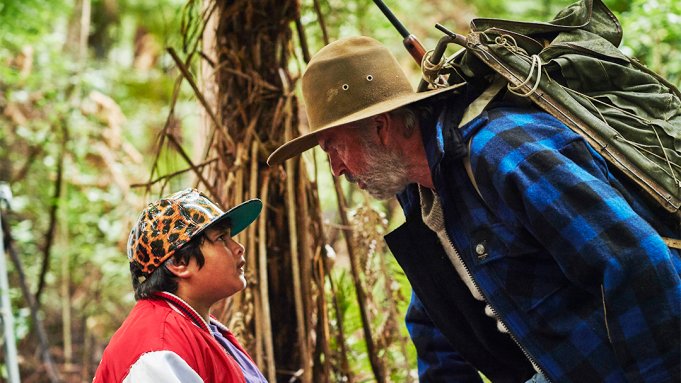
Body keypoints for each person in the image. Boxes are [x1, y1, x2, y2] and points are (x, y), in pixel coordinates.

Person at [267, 36, 681, 382]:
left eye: (334, 148)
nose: (336, 169)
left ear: (380, 127)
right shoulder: (422, 196)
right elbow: (437, 326)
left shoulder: (502, 152)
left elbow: (634, 261)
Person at [94, 188, 268, 382]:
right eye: (221, 238)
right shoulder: (158, 351)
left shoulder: (199, 328)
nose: (238, 248)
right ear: (179, 263)